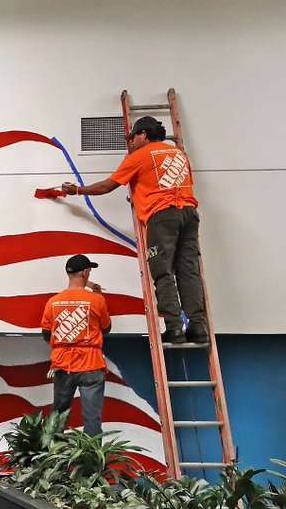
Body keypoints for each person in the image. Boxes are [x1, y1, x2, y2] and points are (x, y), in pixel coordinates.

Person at [59, 115, 206, 344]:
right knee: (189, 271)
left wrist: (78, 190)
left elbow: (107, 186)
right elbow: (167, 183)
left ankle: (175, 327)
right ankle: (198, 327)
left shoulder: (139, 156)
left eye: (133, 137)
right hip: (189, 214)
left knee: (163, 271)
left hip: (162, 217)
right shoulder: (179, 154)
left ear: (143, 135)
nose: (132, 142)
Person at [41, 254, 111, 436]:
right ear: (86, 272)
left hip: (63, 365)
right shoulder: (97, 300)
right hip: (91, 365)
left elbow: (46, 334)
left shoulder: (52, 302)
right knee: (92, 419)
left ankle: (54, 461)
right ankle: (92, 463)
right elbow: (106, 328)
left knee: (58, 418)